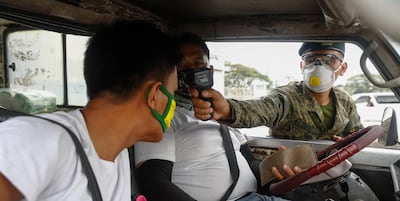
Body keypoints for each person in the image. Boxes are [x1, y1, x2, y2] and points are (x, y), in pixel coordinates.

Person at [0, 20, 180, 201]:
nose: (174, 103)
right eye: (173, 93)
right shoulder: (39, 139)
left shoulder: (119, 158)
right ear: (155, 95)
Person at [134, 32, 298, 201]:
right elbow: (154, 182)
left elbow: (249, 162)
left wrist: (275, 170)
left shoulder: (223, 113)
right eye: (181, 65)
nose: (191, 71)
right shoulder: (165, 118)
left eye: (198, 63)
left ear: (210, 70)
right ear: (172, 74)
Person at [191, 42, 363, 140]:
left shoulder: (344, 100)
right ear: (302, 66)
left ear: (342, 68)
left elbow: (355, 133)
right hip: (292, 173)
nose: (318, 65)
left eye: (329, 59)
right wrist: (228, 110)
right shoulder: (287, 97)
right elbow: (263, 109)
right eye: (311, 59)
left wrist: (347, 142)